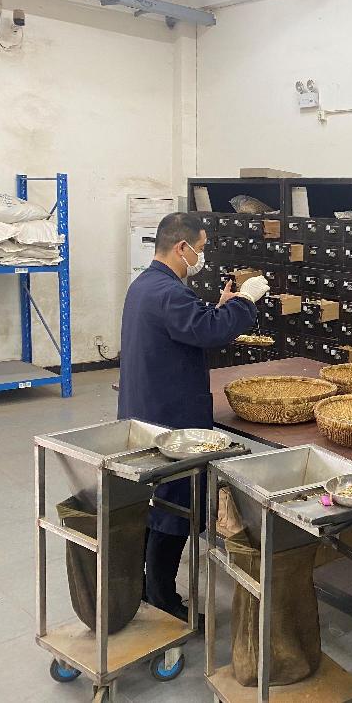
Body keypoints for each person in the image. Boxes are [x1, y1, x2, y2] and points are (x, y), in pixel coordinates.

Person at [117, 212, 270, 620]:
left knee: (155, 501)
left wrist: (218, 309)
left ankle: (144, 584)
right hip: (171, 419)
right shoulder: (169, 293)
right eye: (200, 249)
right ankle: (162, 597)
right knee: (175, 505)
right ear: (181, 247)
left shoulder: (145, 286)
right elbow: (210, 332)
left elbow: (192, 326)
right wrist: (245, 301)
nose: (201, 257)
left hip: (144, 411)